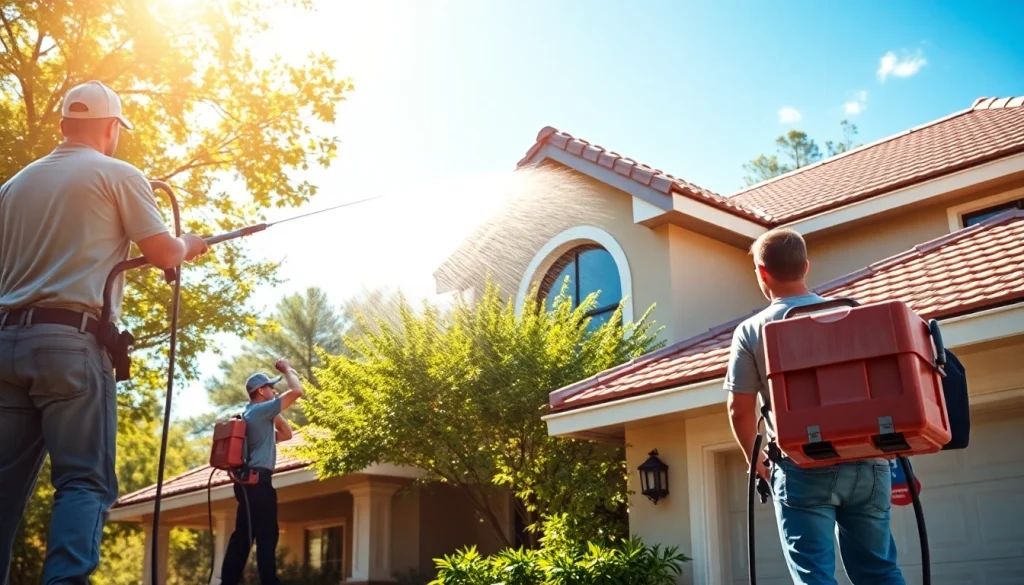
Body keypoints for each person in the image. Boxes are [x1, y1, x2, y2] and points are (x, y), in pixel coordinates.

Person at [0, 80, 210, 584]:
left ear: (63, 125)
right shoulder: (119, 173)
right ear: (112, 128)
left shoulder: (13, 186)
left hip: (5, 343)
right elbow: (164, 253)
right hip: (71, 348)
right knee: (84, 483)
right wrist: (189, 242)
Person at [724, 228, 905, 585]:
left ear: (761, 272)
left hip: (802, 466)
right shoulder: (851, 314)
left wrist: (756, 461)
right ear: (806, 267)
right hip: (869, 462)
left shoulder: (752, 330)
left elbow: (738, 410)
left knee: (814, 577)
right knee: (880, 572)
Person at [219, 358, 304, 585]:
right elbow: (297, 391)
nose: (274, 390)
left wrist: (274, 410)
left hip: (246, 485)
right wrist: (287, 369)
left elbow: (286, 435)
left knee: (243, 538)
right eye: (270, 387)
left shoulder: (251, 415)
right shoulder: (259, 413)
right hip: (259, 484)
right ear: (260, 391)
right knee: (267, 536)